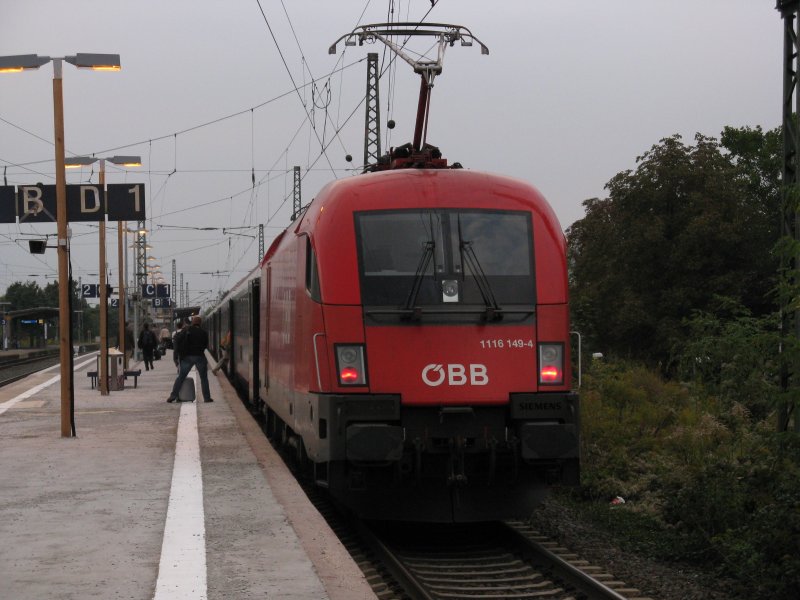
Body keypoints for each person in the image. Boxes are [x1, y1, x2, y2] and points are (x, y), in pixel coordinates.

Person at [167, 315, 213, 403]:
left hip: (187, 357)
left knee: (181, 377)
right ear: (200, 323)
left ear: (192, 322)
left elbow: (177, 340)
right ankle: (207, 398)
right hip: (199, 356)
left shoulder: (186, 330)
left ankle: (172, 396)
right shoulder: (203, 332)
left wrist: (177, 355)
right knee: (204, 378)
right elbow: (205, 345)